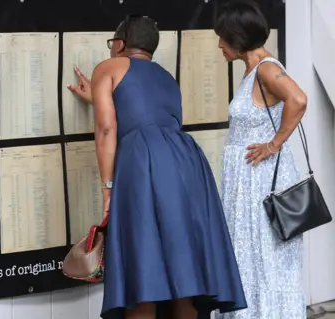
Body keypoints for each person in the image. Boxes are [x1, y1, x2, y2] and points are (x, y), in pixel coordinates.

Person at [67, 15, 247, 319]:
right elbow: (145, 111)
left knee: (143, 271)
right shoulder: (166, 77)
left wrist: (108, 187)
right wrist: (96, 96)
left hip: (142, 162)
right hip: (187, 164)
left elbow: (108, 128)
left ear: (121, 44)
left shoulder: (108, 67)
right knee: (184, 269)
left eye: (113, 44)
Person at [213, 1, 307, 318]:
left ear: (237, 37)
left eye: (222, 37)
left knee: (264, 256)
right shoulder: (253, 71)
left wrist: (273, 144)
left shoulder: (267, 68)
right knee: (251, 257)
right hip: (247, 182)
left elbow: (298, 98)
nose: (219, 45)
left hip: (260, 180)